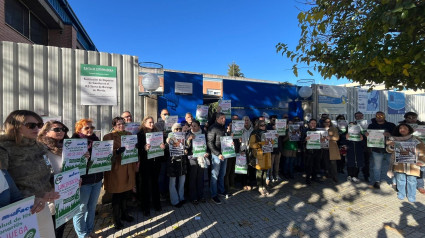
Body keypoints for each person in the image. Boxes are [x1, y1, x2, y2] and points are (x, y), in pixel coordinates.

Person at [0, 110, 60, 238]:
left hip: (42, 206)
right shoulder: (4, 148)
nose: (37, 128)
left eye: (39, 125)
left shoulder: (39, 147)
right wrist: (30, 198)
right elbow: (4, 184)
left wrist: (61, 183)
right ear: (15, 126)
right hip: (17, 214)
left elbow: (48, 173)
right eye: (31, 125)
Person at [103, 117, 138, 230]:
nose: (121, 126)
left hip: (128, 168)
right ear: (114, 126)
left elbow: (133, 149)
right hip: (116, 170)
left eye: (123, 124)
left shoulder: (129, 134)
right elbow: (105, 153)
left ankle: (124, 214)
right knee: (117, 196)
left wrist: (135, 148)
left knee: (126, 194)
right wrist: (116, 152)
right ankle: (116, 219)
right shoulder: (108, 137)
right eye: (118, 124)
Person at [38, 120, 70, 238]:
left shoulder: (65, 147)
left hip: (65, 194)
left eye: (63, 129)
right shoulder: (41, 148)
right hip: (50, 196)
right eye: (57, 129)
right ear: (45, 132)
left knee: (61, 226)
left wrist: (83, 158)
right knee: (52, 230)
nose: (61, 131)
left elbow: (70, 167)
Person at [72, 119, 104, 238]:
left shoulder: (96, 140)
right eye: (87, 128)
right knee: (81, 209)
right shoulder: (74, 142)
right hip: (83, 181)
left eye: (91, 127)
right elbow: (70, 162)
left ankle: (90, 230)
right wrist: (82, 157)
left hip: (97, 179)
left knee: (92, 207)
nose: (90, 130)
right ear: (79, 129)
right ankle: (83, 235)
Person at [386, 123, 425, 202]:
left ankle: (411, 195)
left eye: (405, 128)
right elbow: (388, 150)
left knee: (412, 180)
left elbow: (423, 150)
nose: (402, 129)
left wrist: (421, 160)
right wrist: (392, 146)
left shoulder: (416, 139)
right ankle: (401, 193)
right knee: (400, 179)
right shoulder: (395, 139)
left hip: (413, 165)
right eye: (400, 128)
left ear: (409, 129)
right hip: (400, 164)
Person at [137, 116, 166, 216]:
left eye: (153, 122)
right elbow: (137, 148)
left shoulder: (158, 134)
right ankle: (145, 207)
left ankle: (156, 204)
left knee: (155, 183)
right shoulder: (140, 134)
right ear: (144, 123)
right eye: (149, 122)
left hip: (156, 162)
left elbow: (163, 147)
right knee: (145, 185)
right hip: (145, 163)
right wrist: (144, 148)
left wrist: (163, 147)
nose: (152, 124)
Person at [367, 111, 396, 189]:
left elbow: (397, 135)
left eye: (381, 115)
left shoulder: (391, 125)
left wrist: (389, 134)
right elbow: (368, 136)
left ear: (384, 116)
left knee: (392, 166)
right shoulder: (371, 125)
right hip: (377, 149)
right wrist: (367, 135)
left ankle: (394, 182)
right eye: (377, 116)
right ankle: (377, 181)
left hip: (389, 149)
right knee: (377, 167)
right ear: (375, 117)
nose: (379, 117)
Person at [398, 112, 425, 194]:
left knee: (421, 168)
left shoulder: (422, 126)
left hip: (420, 149)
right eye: (409, 118)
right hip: (406, 149)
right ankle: (406, 185)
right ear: (405, 118)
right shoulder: (400, 126)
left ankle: (420, 185)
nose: (412, 119)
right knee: (405, 168)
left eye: (414, 118)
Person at [185, 120, 209, 204]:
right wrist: (189, 140)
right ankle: (193, 197)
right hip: (192, 158)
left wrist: (207, 153)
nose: (193, 127)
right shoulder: (188, 134)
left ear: (199, 127)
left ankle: (201, 196)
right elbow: (185, 147)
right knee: (193, 178)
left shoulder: (204, 133)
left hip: (201, 157)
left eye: (195, 126)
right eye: (192, 126)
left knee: (200, 177)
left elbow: (207, 145)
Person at [165, 123, 188, 207]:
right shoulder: (169, 138)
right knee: (172, 182)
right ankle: (174, 200)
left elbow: (187, 146)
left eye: (179, 129)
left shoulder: (183, 137)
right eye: (176, 129)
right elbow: (166, 149)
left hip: (182, 161)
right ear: (172, 130)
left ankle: (181, 197)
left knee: (182, 181)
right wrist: (167, 143)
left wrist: (186, 150)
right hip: (172, 162)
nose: (178, 130)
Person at [207, 112, 227, 204]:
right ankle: (213, 195)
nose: (224, 120)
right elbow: (210, 143)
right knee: (214, 176)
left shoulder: (224, 127)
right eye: (222, 118)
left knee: (222, 174)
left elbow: (225, 141)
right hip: (217, 156)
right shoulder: (212, 128)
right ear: (217, 118)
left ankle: (221, 191)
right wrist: (218, 154)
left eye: (224, 118)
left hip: (225, 154)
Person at [249, 120, 272, 195]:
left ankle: (264, 186)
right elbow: (251, 145)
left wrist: (273, 140)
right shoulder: (254, 134)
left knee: (265, 171)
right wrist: (261, 143)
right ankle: (260, 187)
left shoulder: (268, 133)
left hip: (267, 154)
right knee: (259, 171)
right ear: (258, 126)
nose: (263, 127)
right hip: (259, 155)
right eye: (261, 125)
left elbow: (272, 143)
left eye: (264, 125)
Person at [302, 119, 322, 184]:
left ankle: (314, 177)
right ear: (309, 124)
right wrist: (305, 139)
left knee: (316, 165)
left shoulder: (318, 132)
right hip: (309, 151)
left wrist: (322, 139)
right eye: (312, 123)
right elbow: (301, 140)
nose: (313, 124)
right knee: (309, 166)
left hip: (317, 150)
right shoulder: (305, 131)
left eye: (314, 123)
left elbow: (321, 141)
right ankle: (308, 179)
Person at [321, 118, 340, 182]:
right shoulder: (320, 129)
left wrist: (330, 137)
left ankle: (334, 176)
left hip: (332, 148)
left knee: (333, 163)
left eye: (328, 122)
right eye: (325, 122)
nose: (327, 123)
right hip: (323, 148)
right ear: (323, 123)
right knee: (326, 162)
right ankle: (328, 174)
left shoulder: (334, 129)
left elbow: (337, 138)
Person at [240, 116, 255, 190]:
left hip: (251, 151)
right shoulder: (239, 130)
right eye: (244, 120)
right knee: (243, 168)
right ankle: (244, 183)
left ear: (250, 121)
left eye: (247, 120)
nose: (246, 121)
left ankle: (251, 182)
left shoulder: (253, 129)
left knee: (251, 167)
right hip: (243, 151)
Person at [354, 111, 370, 182]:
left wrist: (368, 134)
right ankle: (355, 176)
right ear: (355, 117)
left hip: (366, 146)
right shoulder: (352, 124)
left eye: (360, 116)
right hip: (356, 145)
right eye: (357, 116)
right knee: (356, 161)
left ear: (363, 116)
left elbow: (372, 134)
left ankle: (366, 176)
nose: (359, 117)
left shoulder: (368, 124)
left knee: (366, 162)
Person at [267, 115, 282, 183]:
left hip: (278, 147)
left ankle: (276, 175)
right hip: (271, 148)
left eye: (275, 120)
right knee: (271, 163)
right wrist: (273, 129)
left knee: (277, 163)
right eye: (273, 120)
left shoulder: (280, 126)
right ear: (270, 120)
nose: (274, 121)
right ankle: (270, 176)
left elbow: (283, 135)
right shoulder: (267, 126)